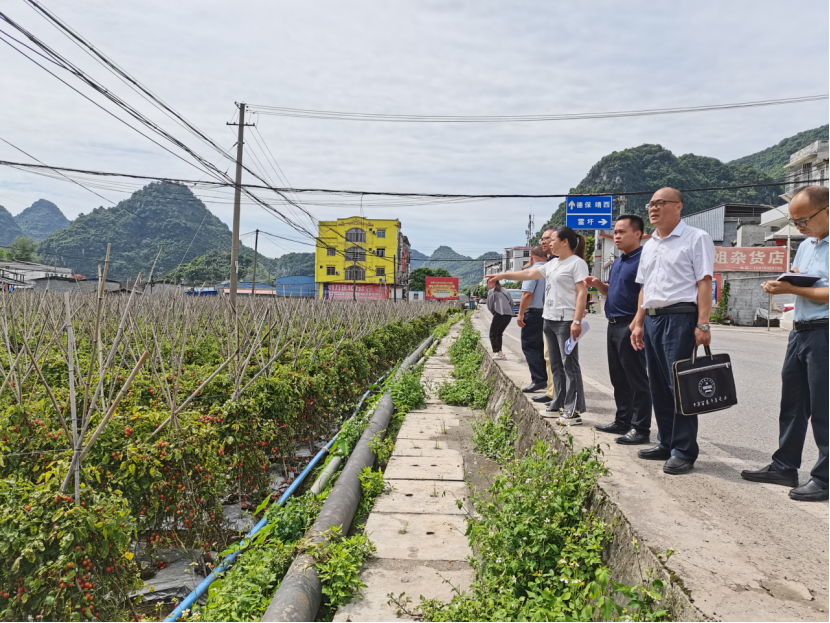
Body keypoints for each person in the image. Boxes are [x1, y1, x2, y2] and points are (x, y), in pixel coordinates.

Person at [741, 185, 829, 502]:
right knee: (792, 405)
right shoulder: (806, 246)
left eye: (803, 220)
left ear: (827, 211)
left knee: (824, 408)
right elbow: (797, 275)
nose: (800, 228)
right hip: (800, 332)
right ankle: (784, 466)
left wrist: (795, 288)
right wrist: (782, 283)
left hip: (825, 332)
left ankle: (825, 478)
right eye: (795, 222)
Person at [630, 187, 714, 475]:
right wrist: (639, 321)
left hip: (680, 317)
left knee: (681, 387)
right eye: (650, 204)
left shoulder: (696, 238)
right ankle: (665, 441)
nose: (653, 208)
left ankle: (683, 450)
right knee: (657, 385)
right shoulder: (650, 244)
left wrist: (703, 324)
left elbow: (704, 282)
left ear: (678, 206)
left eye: (660, 203)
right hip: (653, 319)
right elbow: (645, 287)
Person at [488, 227, 588, 425]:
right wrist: (501, 276)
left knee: (570, 366)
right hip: (549, 319)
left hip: (566, 320)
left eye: (552, 240)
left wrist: (576, 321)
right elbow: (527, 274)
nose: (549, 243)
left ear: (565, 241)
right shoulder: (552, 264)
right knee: (556, 365)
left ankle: (573, 410)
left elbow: (582, 293)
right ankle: (559, 403)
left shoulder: (577, 263)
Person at [585, 215, 653, 444]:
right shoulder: (618, 261)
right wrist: (597, 284)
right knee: (619, 377)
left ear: (638, 234)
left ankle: (640, 428)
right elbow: (610, 291)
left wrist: (638, 323)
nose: (617, 236)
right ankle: (622, 420)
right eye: (615, 232)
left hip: (630, 325)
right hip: (613, 324)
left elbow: (647, 293)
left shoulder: (644, 259)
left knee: (636, 379)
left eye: (622, 232)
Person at [529, 228, 558, 406]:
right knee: (549, 357)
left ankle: (563, 399)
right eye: (542, 238)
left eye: (548, 238)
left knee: (561, 362)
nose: (544, 242)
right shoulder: (551, 263)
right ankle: (551, 392)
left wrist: (577, 318)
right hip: (548, 315)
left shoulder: (569, 263)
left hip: (561, 319)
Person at [516, 246, 548, 392]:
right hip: (549, 313)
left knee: (530, 346)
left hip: (534, 313)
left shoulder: (532, 272)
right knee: (545, 348)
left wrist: (520, 313)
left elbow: (527, 294)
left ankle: (538, 379)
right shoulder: (553, 269)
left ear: (531, 257)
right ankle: (548, 380)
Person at [486, 280, 514, 360]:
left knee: (492, 334)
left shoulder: (492, 291)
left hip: (499, 314)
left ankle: (499, 352)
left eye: (488, 283)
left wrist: (495, 313)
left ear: (492, 283)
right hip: (508, 315)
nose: (487, 286)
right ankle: (499, 353)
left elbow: (490, 306)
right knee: (499, 334)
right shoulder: (505, 290)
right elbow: (511, 303)